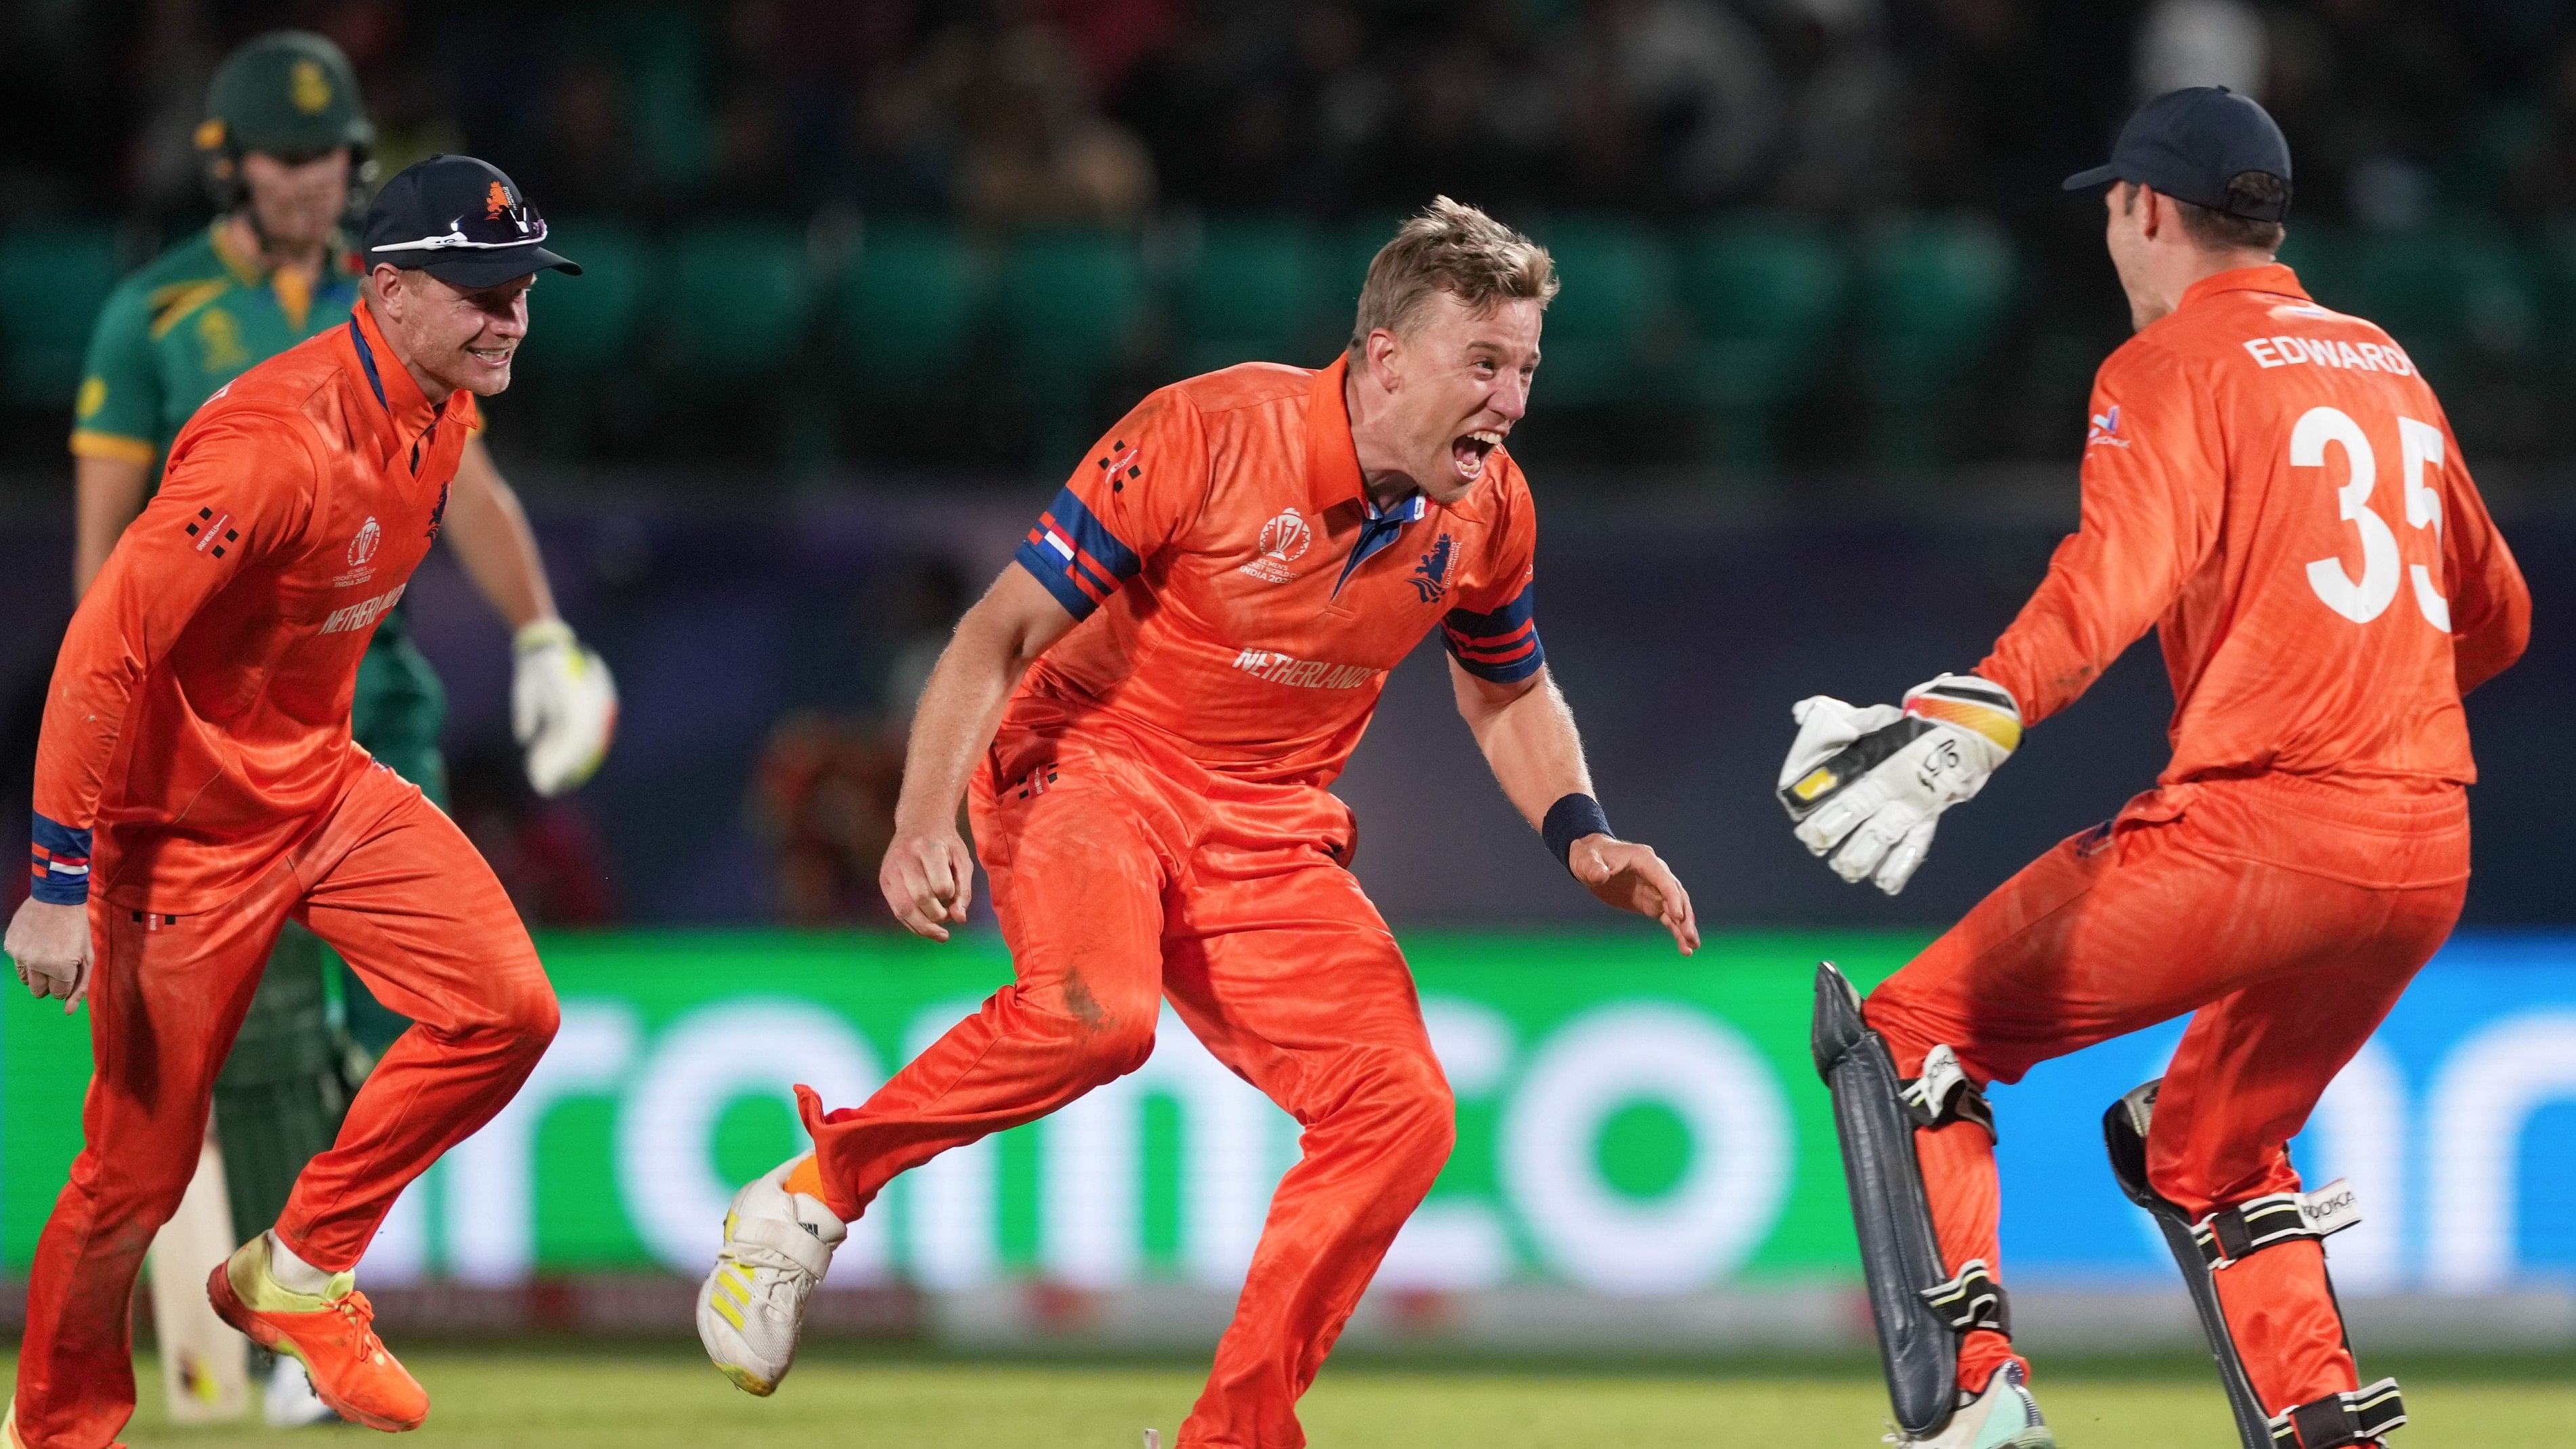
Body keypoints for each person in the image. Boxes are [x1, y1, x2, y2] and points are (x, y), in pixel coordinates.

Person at [693, 197, 1700, 1447]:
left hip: (1271, 832)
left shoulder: (1490, 511)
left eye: (1527, 369)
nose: (1511, 403)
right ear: (1387, 358)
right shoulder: (1208, 431)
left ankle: (1233, 1436)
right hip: (1090, 768)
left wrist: (1583, 832)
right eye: (1484, 365)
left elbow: (1507, 687)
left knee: (1402, 1108)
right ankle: (814, 1191)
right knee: (1098, 1020)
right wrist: (919, 821)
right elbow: (999, 632)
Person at [1780, 88, 2528, 1449]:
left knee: (1905, 1038)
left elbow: (2110, 578)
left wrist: (1983, 708)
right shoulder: (2384, 361)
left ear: (2144, 209)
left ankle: (1972, 1395)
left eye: (2115, 216)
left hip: (2261, 830)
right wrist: (2369, 694)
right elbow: (2499, 613)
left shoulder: (2167, 365)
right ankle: (2323, 1426)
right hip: (2426, 845)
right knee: (2210, 1144)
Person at [67, 34, 614, 1423]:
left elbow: (465, 513)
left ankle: (300, 1269)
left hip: (320, 783)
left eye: (524, 293)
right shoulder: (266, 441)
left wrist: (543, 628)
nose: (512, 321)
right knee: (136, 1172)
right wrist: (61, 875)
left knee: (508, 1007)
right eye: (483, 294)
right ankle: (58, 1424)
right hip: (181, 824)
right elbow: (107, 632)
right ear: (390, 291)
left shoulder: (437, 408)